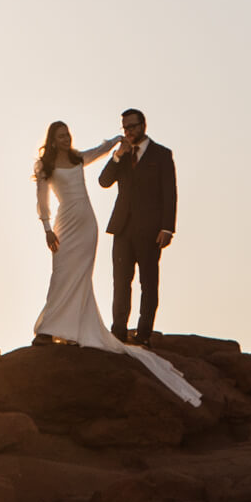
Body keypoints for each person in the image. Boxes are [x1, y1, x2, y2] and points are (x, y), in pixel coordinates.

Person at [32, 118, 199, 405]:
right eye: (60, 135)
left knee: (82, 276)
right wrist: (47, 228)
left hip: (87, 223)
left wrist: (115, 143)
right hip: (65, 224)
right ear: (51, 138)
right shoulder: (45, 167)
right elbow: (44, 199)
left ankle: (70, 330)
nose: (65, 138)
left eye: (67, 134)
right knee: (60, 274)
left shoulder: (77, 158)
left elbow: (99, 150)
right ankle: (52, 327)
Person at [97, 108, 177, 347]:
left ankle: (144, 334)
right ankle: (118, 331)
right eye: (125, 128)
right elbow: (104, 182)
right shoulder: (122, 155)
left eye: (132, 127)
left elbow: (170, 193)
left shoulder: (161, 154)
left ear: (143, 125)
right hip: (122, 227)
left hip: (151, 230)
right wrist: (117, 156)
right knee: (120, 281)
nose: (129, 132)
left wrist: (167, 227)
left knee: (148, 283)